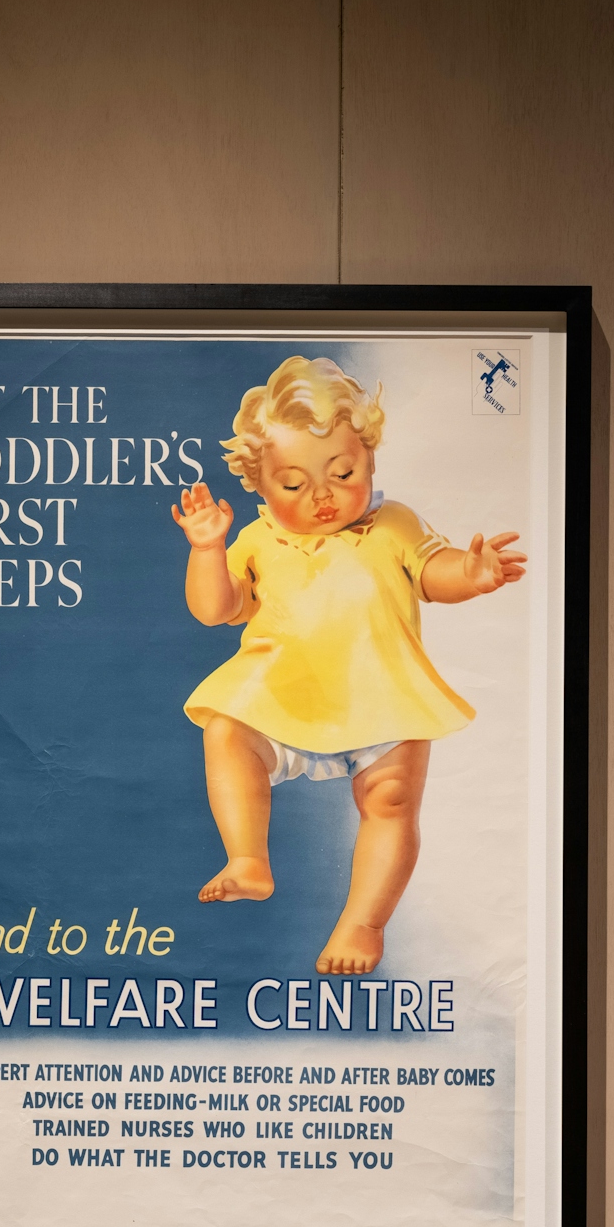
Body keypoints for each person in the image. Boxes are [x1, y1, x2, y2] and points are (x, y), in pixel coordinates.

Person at [177, 356, 526, 975]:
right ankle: (247, 859)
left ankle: (363, 923)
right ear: (258, 484)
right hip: (281, 697)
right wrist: (208, 549)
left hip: (382, 697)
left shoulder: (393, 524)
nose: (322, 496)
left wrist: (469, 575)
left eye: (343, 472)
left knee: (390, 804)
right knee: (227, 733)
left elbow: (432, 570)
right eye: (293, 484)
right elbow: (215, 609)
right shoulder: (259, 541)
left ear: (368, 460)